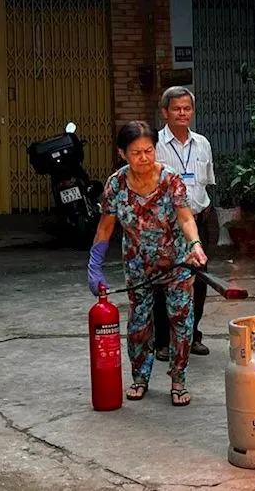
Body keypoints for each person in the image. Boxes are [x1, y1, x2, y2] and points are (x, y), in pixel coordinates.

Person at [86, 121, 208, 406]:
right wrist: (94, 265)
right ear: (122, 153)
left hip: (177, 262)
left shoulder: (170, 179)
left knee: (181, 322)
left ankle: (178, 380)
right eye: (136, 152)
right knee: (140, 323)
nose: (144, 158)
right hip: (138, 265)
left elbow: (186, 217)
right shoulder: (116, 184)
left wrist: (195, 245)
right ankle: (140, 377)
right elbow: (105, 228)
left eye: (149, 150)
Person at [153, 86, 215, 360]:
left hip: (198, 221)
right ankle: (164, 341)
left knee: (199, 280)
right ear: (165, 112)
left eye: (187, 108)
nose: (182, 113)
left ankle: (193, 335)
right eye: (176, 109)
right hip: (167, 227)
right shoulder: (154, 145)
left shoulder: (202, 143)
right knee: (163, 282)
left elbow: (206, 183)